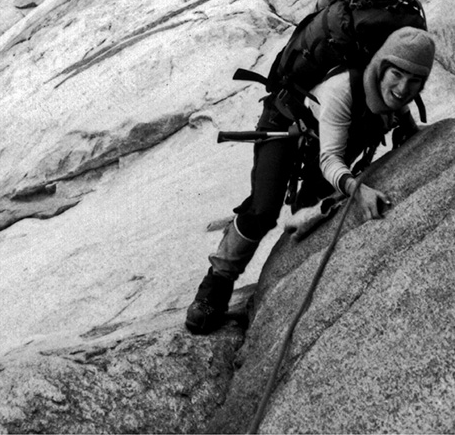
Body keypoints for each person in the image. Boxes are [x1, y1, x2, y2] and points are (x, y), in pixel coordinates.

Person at [185, 26, 436, 335]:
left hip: (324, 133)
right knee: (263, 209)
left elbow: (399, 108)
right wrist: (357, 190)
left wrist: (408, 128)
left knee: (313, 205)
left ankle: (287, 268)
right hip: (285, 121)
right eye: (397, 75)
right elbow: (331, 160)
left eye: (414, 81)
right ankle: (215, 288)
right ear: (382, 67)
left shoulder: (390, 94)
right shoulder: (343, 89)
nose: (402, 87)